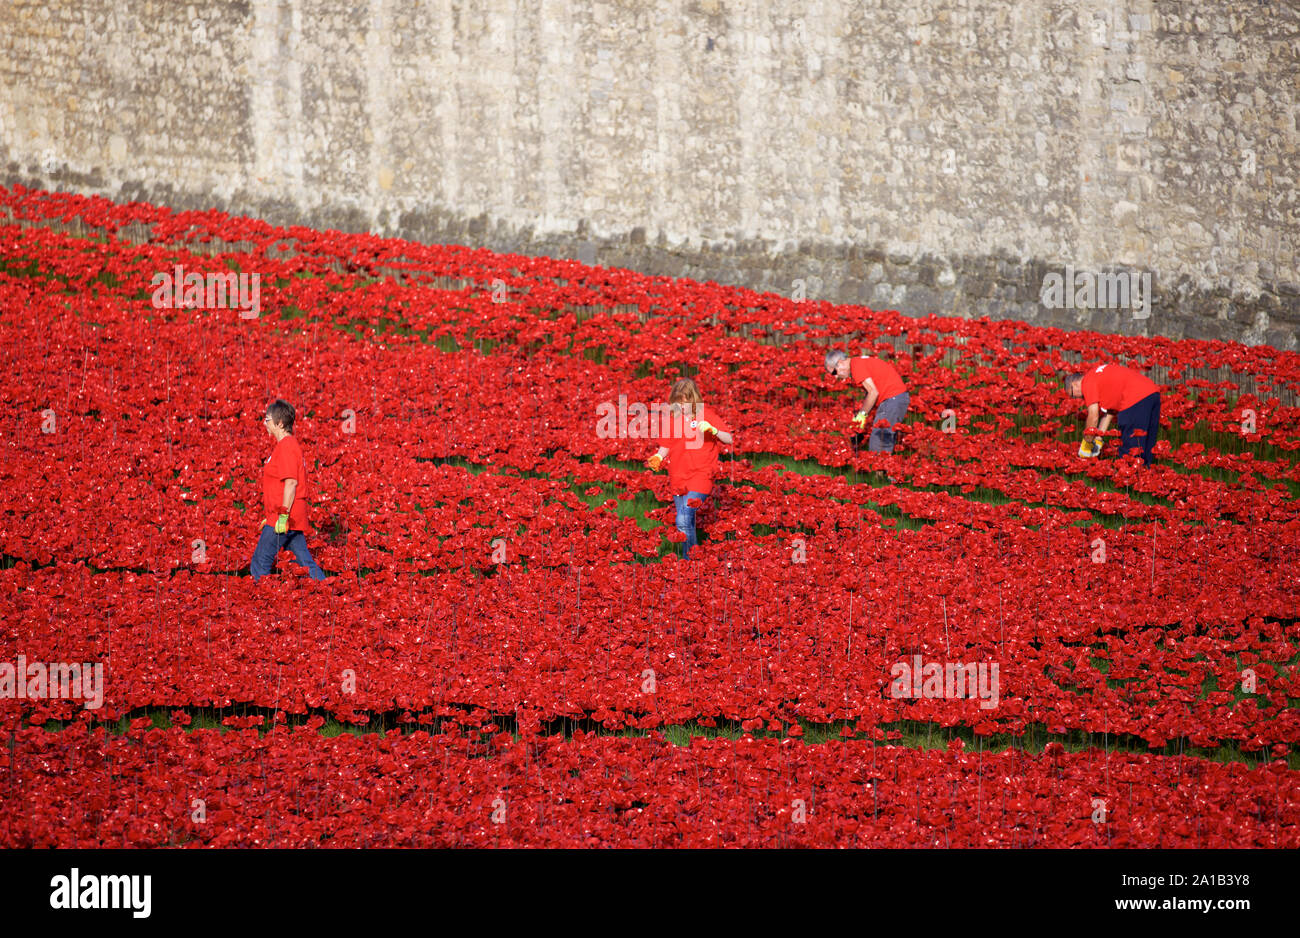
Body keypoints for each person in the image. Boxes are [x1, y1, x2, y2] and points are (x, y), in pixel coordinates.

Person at [645, 378, 734, 559]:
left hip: (702, 474)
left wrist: (714, 430)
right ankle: (693, 563)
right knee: (687, 522)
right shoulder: (672, 420)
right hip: (678, 476)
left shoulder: (706, 415)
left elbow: (729, 438)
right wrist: (658, 457)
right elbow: (666, 445)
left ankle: (691, 559)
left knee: (683, 519)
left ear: (694, 400)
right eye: (677, 403)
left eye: (685, 403)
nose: (681, 407)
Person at [250, 398, 328, 581]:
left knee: (260, 562)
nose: (264, 423)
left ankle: (262, 602)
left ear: (279, 423)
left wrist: (282, 516)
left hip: (285, 517)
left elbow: (291, 483)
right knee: (305, 562)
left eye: (267, 419)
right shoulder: (285, 446)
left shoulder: (287, 446)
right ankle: (328, 591)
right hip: (286, 516)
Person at [1064, 363, 1161, 465]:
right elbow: (1109, 414)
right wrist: (1098, 440)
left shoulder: (1087, 381)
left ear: (1074, 384)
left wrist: (1087, 442)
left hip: (1134, 398)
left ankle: (1130, 478)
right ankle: (1146, 474)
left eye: (1073, 395)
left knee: (1130, 451)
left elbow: (1093, 416)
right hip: (1152, 393)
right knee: (1146, 448)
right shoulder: (1097, 376)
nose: (1078, 398)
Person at [824, 349, 909, 453]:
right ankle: (885, 468)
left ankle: (880, 468)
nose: (836, 377)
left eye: (834, 372)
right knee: (884, 438)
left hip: (892, 398)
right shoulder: (858, 362)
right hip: (895, 398)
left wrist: (862, 415)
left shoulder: (856, 366)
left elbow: (873, 393)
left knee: (879, 440)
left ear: (840, 363)